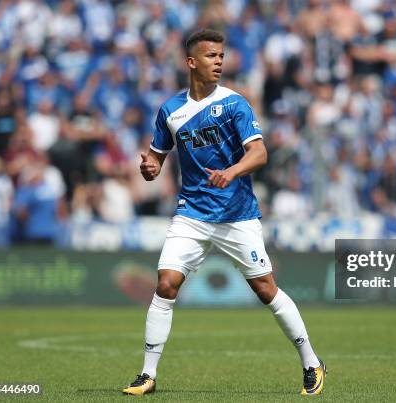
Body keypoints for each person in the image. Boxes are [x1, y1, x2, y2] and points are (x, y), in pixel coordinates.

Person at [122, 29, 326, 396]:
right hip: (192, 213)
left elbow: (259, 153)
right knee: (166, 284)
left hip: (237, 215)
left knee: (266, 289)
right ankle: (147, 375)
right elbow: (156, 156)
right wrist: (150, 168)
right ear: (191, 62)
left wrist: (231, 172)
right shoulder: (171, 111)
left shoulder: (235, 104)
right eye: (211, 55)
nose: (219, 61)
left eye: (221, 55)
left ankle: (311, 361)